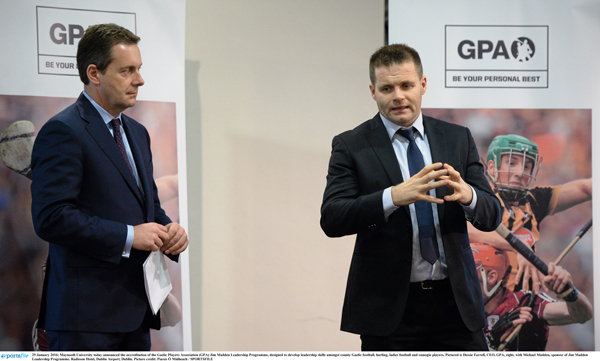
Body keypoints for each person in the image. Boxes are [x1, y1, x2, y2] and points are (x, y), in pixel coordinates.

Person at [320, 43, 502, 351]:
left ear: (423, 84)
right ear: (373, 91)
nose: (398, 96)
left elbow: (492, 214)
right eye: (387, 88)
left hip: (456, 307)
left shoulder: (457, 138)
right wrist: (392, 196)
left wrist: (469, 195)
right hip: (389, 311)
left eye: (406, 85)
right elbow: (333, 217)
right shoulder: (351, 145)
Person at [30, 23, 188, 351]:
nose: (140, 79)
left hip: (136, 316)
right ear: (94, 73)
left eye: (139, 69)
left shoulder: (138, 133)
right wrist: (130, 236)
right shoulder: (63, 131)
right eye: (127, 70)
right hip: (83, 321)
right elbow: (52, 217)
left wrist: (169, 231)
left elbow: (149, 208)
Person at [468, 134, 592, 293]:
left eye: (526, 166)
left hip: (523, 302)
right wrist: (518, 247)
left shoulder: (534, 200)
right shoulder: (477, 197)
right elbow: (468, 230)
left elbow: (585, 188)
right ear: (492, 167)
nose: (520, 173)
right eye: (512, 163)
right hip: (483, 301)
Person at [471, 243, 592, 351]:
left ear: (491, 277)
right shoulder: (457, 310)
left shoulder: (524, 303)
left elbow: (581, 315)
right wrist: (490, 345)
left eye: (468, 275)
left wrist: (568, 292)